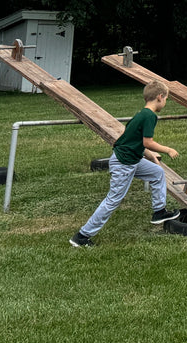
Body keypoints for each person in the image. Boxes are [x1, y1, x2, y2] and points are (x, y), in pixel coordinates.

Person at [70, 79, 181, 247]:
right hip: (124, 163)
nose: (165, 102)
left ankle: (159, 212)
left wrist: (152, 158)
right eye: (166, 99)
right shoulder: (150, 116)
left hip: (131, 160)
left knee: (157, 173)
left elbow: (135, 142)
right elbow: (147, 142)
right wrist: (168, 149)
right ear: (160, 97)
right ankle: (81, 236)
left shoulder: (140, 115)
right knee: (113, 200)